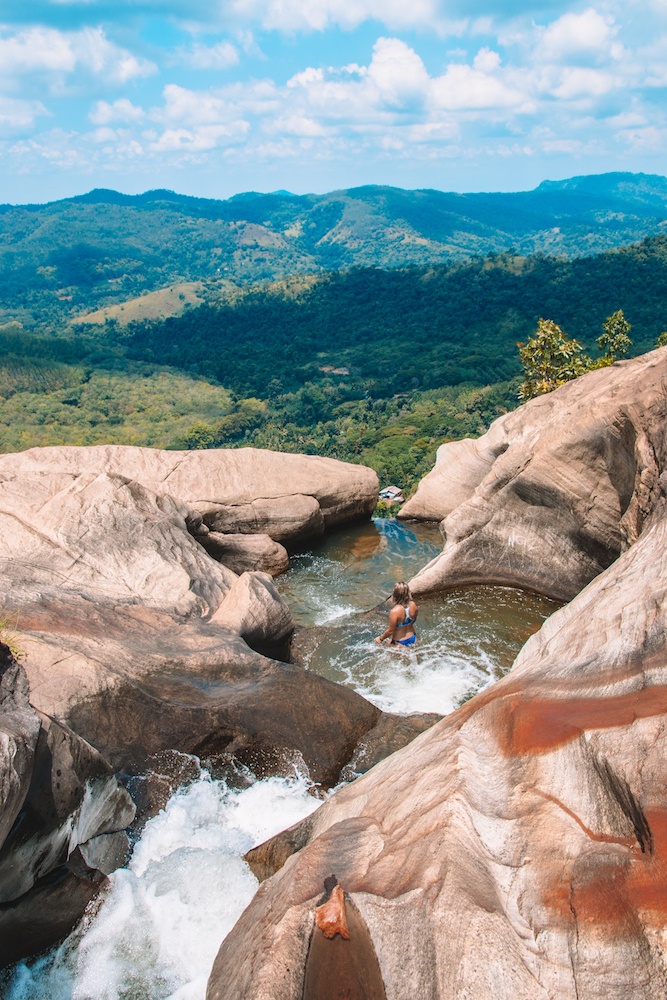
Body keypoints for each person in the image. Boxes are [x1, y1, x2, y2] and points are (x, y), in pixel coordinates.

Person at [374, 581, 418, 647]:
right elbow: (413, 620)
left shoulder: (394, 611)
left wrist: (380, 638)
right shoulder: (413, 605)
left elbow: (390, 631)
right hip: (413, 638)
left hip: (400, 642)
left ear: (395, 594)